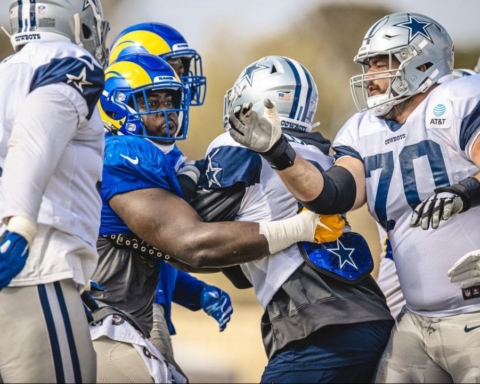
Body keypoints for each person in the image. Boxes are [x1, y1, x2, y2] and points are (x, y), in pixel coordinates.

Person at [228, 12, 480, 383]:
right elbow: (332, 195)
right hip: (418, 320)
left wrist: (464, 191)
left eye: (382, 62)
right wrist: (278, 152)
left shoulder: (458, 97)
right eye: (368, 63)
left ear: (423, 60)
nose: (370, 73)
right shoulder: (363, 129)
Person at [92, 52, 322, 382]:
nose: (167, 112)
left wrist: (196, 291)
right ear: (117, 106)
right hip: (103, 325)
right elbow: (192, 245)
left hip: (123, 324)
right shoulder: (122, 153)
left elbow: (176, 251)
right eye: (151, 101)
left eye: (170, 99)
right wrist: (297, 228)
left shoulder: (156, 159)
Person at [202, 55, 393, 383]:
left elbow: (195, 240)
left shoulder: (236, 145)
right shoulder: (320, 153)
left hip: (318, 324)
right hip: (371, 314)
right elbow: (240, 274)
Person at [106, 22, 233, 377]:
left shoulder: (160, 147)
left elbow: (151, 247)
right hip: (120, 309)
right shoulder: (121, 151)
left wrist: (193, 291)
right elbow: (176, 239)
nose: (183, 79)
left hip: (144, 300)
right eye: (172, 68)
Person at [0, 0, 109, 382]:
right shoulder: (68, 61)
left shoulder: (5, 74)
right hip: (34, 267)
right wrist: (21, 229)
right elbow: (34, 138)